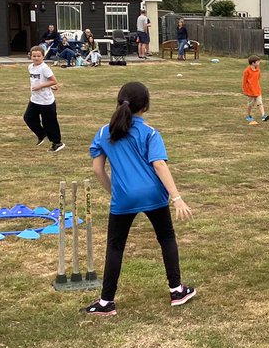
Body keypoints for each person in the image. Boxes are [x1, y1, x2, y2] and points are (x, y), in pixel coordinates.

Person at [83, 81, 195, 316]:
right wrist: (177, 198)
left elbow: (97, 170)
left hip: (123, 199)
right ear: (145, 106)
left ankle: (106, 302)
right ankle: (176, 290)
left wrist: (115, 191)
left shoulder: (104, 132)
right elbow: (159, 164)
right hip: (154, 195)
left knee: (115, 247)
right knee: (166, 238)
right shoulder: (149, 132)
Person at [23, 46, 65, 153]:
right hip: (35, 99)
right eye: (34, 56)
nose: (36, 58)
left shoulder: (44, 68)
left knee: (49, 123)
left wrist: (42, 86)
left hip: (46, 101)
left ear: (43, 56)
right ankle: (42, 134)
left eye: (38, 56)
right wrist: (49, 86)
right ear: (30, 56)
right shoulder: (30, 67)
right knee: (28, 117)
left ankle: (57, 143)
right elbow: (42, 81)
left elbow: (53, 80)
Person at [242, 55, 269, 123]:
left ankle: (263, 115)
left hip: (257, 90)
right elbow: (244, 81)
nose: (259, 63)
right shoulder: (247, 71)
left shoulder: (258, 70)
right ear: (253, 63)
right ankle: (248, 116)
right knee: (250, 104)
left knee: (260, 103)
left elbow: (257, 79)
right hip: (251, 91)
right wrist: (245, 90)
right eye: (258, 62)